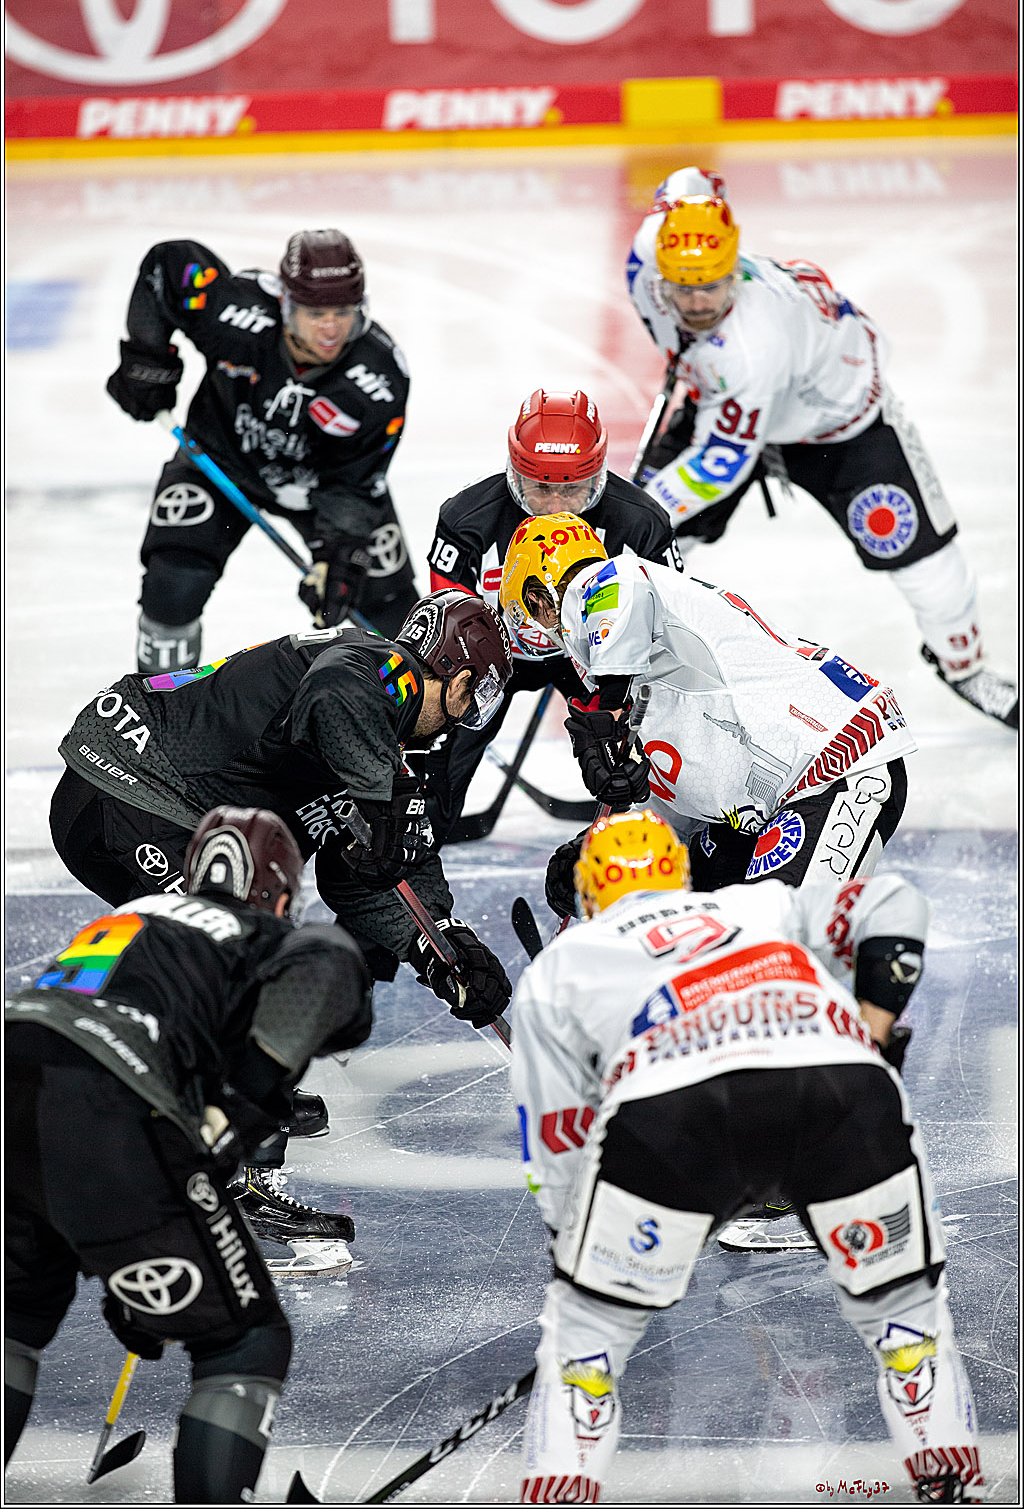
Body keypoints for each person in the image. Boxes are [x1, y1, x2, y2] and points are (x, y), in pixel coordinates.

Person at [510, 809, 985, 1506]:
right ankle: (954, 1484)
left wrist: (584, 1274)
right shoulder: (761, 901)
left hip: (672, 1115)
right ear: (681, 874)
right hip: (841, 1091)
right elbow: (896, 901)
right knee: (909, 1324)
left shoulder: (563, 962)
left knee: (585, 1351)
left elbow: (558, 1137)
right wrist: (873, 1031)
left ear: (587, 897)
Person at [48, 591, 514, 1237]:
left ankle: (231, 1095)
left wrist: (443, 947)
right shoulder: (379, 670)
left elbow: (370, 878)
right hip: (127, 791)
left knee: (249, 956)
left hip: (155, 801)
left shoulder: (387, 729)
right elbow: (334, 690)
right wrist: (378, 807)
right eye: (479, 696)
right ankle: (224, 1182)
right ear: (461, 680)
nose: (470, 717)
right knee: (232, 960)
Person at [5, 806, 374, 1503]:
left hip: (12, 1078)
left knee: (14, 1312)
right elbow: (331, 969)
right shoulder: (255, 931)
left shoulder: (131, 917)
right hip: (109, 1102)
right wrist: (241, 1108)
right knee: (245, 1340)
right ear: (277, 892)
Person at [625, 168, 1017, 730]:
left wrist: (639, 510)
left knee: (928, 567)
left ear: (734, 268)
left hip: (840, 426)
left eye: (710, 285)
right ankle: (625, 656)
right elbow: (689, 182)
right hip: (727, 403)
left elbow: (721, 461)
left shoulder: (755, 344)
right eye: (681, 287)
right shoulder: (649, 254)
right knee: (655, 543)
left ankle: (965, 666)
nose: (694, 302)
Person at [499, 513, 917, 911]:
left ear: (540, 597)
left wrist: (606, 714)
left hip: (835, 768)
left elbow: (613, 592)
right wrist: (606, 847)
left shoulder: (616, 581)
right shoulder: (641, 662)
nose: (540, 633)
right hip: (764, 805)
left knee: (776, 942)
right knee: (694, 925)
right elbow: (681, 798)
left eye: (527, 615)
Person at [106, 227, 419, 673]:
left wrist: (340, 553)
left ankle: (419, 727)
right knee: (172, 585)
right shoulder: (237, 311)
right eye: (314, 313)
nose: (330, 329)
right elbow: (167, 266)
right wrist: (148, 361)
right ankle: (160, 707)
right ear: (286, 303)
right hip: (218, 464)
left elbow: (356, 482)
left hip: (322, 491)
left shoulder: (380, 380)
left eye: (343, 312)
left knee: (392, 611)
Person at [422, 388, 683, 842]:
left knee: (631, 748)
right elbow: (446, 624)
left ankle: (635, 844)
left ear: (598, 477)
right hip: (493, 653)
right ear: (516, 473)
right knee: (441, 740)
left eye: (573, 490)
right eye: (542, 488)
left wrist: (617, 708)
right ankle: (421, 841)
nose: (558, 506)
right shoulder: (466, 519)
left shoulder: (642, 524)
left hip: (592, 657)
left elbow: (668, 622)